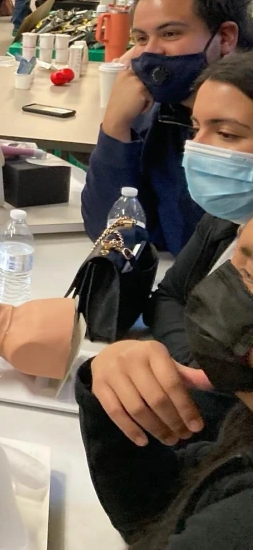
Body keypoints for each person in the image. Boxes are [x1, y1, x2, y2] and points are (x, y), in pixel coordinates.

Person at [86, 53, 253, 463]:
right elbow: (171, 297)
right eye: (196, 129)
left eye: (227, 134)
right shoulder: (225, 218)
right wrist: (198, 365)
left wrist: (209, 377)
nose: (197, 149)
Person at [77, 213, 253, 549]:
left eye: (247, 275)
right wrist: (118, 406)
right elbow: (156, 512)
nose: (224, 280)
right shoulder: (242, 430)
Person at [80, 0, 253, 253]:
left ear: (224, 38)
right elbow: (112, 235)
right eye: (142, 39)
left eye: (170, 34)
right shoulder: (155, 111)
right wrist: (114, 129)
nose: (151, 52)